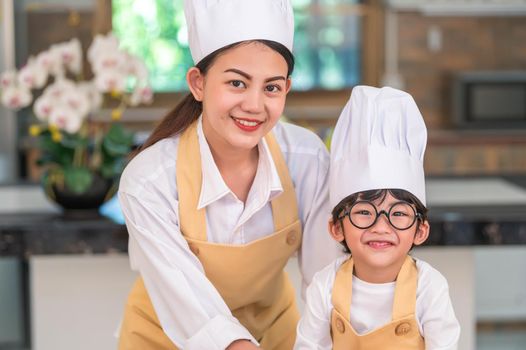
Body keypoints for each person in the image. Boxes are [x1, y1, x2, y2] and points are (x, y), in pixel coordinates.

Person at [117, 1, 342, 349]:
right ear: (198, 83)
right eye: (237, 83)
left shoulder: (307, 159)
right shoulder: (149, 180)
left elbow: (325, 280)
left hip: (275, 335)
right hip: (166, 339)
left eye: (271, 87)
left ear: (286, 89)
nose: (254, 105)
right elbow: (188, 304)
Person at [294, 86, 460, 350]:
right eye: (363, 212)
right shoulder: (325, 285)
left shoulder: (428, 287)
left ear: (420, 230)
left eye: (398, 214)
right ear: (336, 227)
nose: (381, 227)